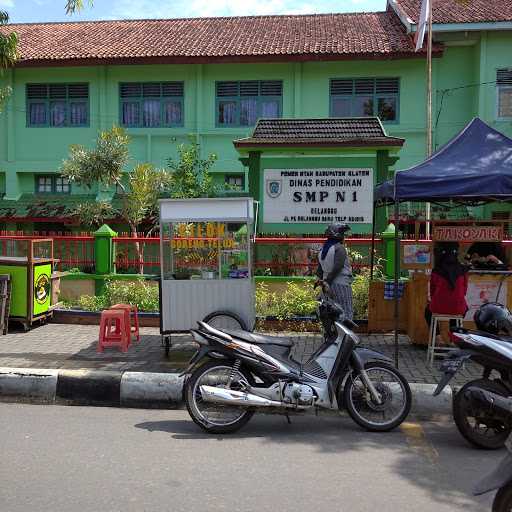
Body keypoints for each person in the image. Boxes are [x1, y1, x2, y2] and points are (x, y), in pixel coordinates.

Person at [425, 242, 469, 333]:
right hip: (458, 307)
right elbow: (464, 291)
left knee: (427, 312)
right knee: (459, 310)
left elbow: (432, 292)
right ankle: (454, 336)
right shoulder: (463, 270)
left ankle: (437, 336)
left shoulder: (436, 270)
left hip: (438, 306)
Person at [316, 222, 353, 320]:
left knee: (331, 312)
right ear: (338, 234)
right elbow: (338, 266)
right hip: (340, 284)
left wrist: (323, 282)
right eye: (343, 234)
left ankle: (331, 334)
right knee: (345, 311)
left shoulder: (322, 249)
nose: (344, 236)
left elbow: (319, 271)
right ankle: (345, 335)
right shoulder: (339, 248)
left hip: (326, 285)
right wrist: (328, 281)